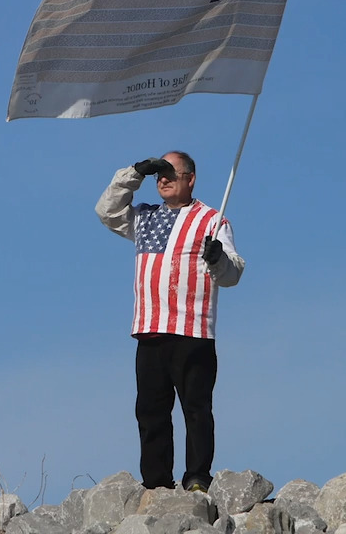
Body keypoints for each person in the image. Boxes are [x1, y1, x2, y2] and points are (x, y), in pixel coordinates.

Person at [95, 151, 246, 493]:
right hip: (150, 329)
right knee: (150, 412)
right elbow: (107, 211)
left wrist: (218, 258)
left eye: (170, 173)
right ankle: (157, 484)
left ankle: (197, 479)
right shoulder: (146, 218)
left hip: (192, 331)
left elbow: (233, 273)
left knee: (196, 408)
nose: (162, 179)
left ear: (190, 179)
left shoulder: (212, 219)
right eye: (158, 174)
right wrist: (133, 174)